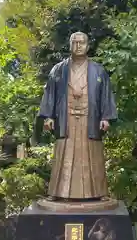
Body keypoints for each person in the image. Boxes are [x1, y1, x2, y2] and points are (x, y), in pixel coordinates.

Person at [39, 31, 117, 201]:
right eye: (75, 43)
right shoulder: (58, 70)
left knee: (93, 155)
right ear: (70, 45)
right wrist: (48, 116)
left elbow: (105, 95)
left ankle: (99, 192)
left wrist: (105, 117)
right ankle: (58, 192)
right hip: (65, 118)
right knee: (63, 153)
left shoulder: (98, 71)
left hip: (90, 119)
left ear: (88, 46)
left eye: (82, 43)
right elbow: (50, 93)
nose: (79, 46)